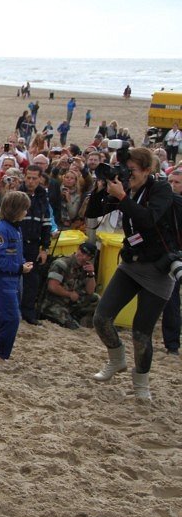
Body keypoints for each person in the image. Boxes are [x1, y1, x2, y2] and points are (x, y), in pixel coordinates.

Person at [86, 147, 177, 401]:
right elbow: (92, 214)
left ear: (148, 170)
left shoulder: (160, 190)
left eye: (133, 170)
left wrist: (123, 197)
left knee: (141, 332)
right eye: (126, 170)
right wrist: (101, 189)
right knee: (101, 318)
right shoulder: (124, 188)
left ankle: (141, 384)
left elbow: (148, 219)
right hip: (131, 263)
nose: (129, 175)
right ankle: (117, 360)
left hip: (158, 269)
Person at [0, 191, 33, 363]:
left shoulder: (15, 228)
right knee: (11, 317)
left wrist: (23, 264)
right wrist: (19, 267)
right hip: (3, 281)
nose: (26, 213)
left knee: (1, 317)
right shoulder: (2, 229)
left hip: (14, 279)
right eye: (24, 209)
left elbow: (15, 254)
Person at [18, 165, 52, 324]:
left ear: (40, 179)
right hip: (17, 242)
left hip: (34, 243)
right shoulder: (17, 194)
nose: (30, 181)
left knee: (32, 280)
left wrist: (44, 249)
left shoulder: (43, 197)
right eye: (28, 177)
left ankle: (28, 312)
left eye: (34, 178)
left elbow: (46, 225)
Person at [41, 242, 99, 329]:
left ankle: (76, 316)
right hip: (53, 303)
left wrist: (91, 274)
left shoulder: (84, 267)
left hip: (71, 302)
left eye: (88, 256)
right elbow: (52, 286)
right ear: (78, 250)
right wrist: (69, 294)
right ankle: (66, 318)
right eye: (82, 253)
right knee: (73, 327)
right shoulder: (61, 264)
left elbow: (90, 291)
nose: (84, 257)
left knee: (96, 299)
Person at [162, 168, 182, 355]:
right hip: (172, 256)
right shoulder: (164, 204)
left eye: (177, 182)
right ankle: (172, 344)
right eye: (170, 181)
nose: (172, 185)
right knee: (171, 300)